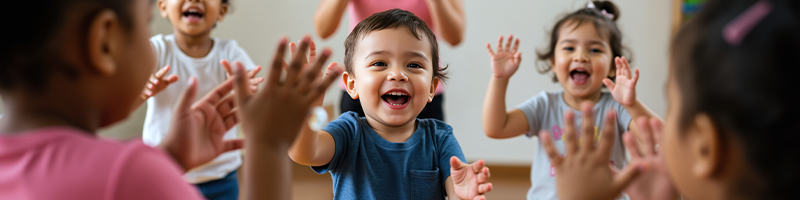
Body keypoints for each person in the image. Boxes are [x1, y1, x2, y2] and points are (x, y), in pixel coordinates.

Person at [0, 0, 341, 199]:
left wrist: (168, 160)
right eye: (146, 20)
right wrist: (266, 147)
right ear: (105, 42)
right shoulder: (129, 176)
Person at [540, 0, 800, 199]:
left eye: (672, 103)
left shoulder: (613, 108)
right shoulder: (545, 104)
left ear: (705, 146)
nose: (581, 56)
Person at [289, 9, 491, 200]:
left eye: (414, 65)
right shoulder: (347, 132)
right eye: (379, 63)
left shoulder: (440, 139)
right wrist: (307, 111)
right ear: (352, 84)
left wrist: (463, 194)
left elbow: (456, 189)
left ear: (432, 87)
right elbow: (303, 153)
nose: (398, 74)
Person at [481, 1, 660, 199]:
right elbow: (496, 128)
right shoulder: (544, 105)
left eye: (595, 50)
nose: (581, 57)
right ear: (553, 63)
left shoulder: (617, 107)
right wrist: (499, 80)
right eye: (569, 48)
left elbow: (659, 138)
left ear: (612, 66)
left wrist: (631, 104)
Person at [134, 0, 263, 199]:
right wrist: (144, 92)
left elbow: (254, 91)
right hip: (166, 171)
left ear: (222, 11)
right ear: (162, 7)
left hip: (221, 176)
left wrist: (244, 90)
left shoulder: (229, 52)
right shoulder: (157, 50)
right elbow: (128, 99)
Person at [315, 0, 465, 121]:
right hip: (362, 90)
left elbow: (455, 37)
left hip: (421, 92)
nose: (395, 74)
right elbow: (323, 30)